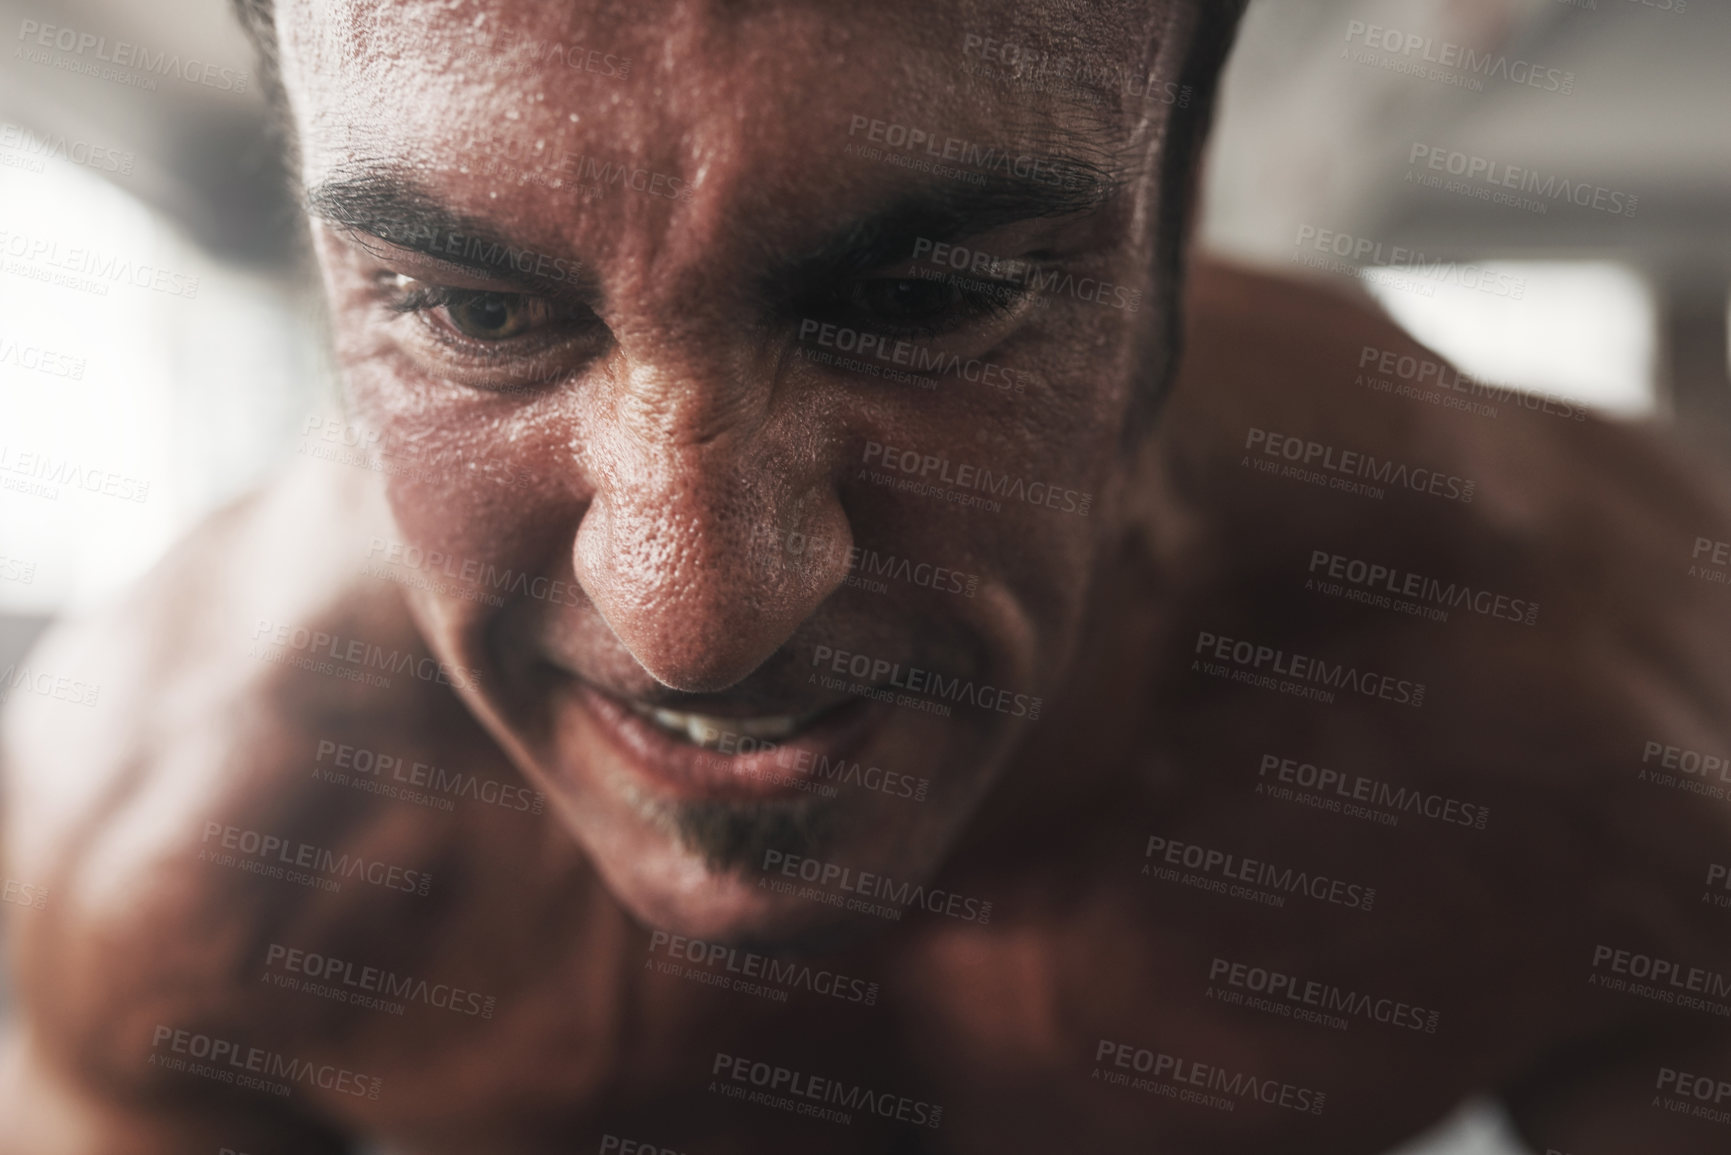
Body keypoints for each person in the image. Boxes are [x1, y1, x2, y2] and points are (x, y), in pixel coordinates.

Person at [5, 0, 1731, 1151]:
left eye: (925, 301)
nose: (696, 623)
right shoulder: (188, 838)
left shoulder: (1595, 705)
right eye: (470, 309)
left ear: (1170, 217)